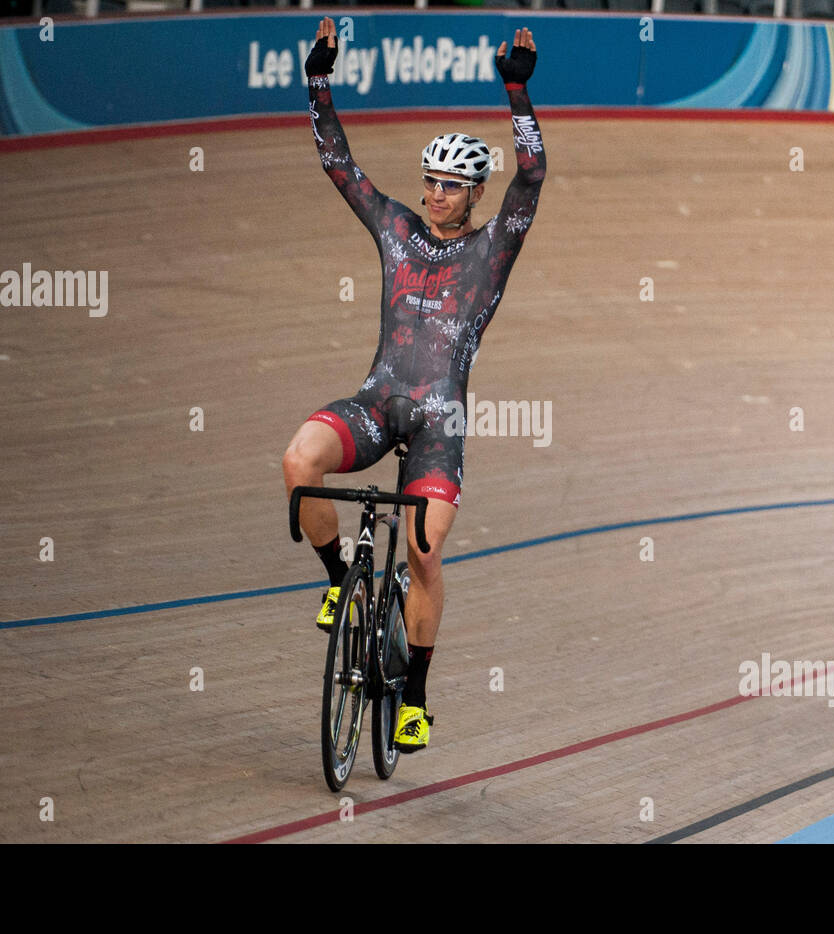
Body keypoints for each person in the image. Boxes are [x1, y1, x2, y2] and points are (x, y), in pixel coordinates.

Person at [284, 17, 545, 754]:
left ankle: (416, 698)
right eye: (430, 180)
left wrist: (517, 91)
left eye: (452, 186)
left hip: (438, 426)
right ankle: (339, 577)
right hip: (378, 401)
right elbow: (339, 163)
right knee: (298, 463)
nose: (435, 194)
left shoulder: (493, 251)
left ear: (474, 193)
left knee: (424, 553)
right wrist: (317, 79)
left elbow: (532, 176)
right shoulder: (395, 228)